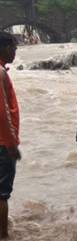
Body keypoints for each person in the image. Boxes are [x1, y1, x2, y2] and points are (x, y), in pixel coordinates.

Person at [0, 31, 20, 239]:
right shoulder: (0, 73)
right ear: (5, 48)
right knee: (2, 194)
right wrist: (11, 143)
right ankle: (4, 236)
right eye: (14, 48)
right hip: (2, 144)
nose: (15, 53)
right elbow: (3, 112)